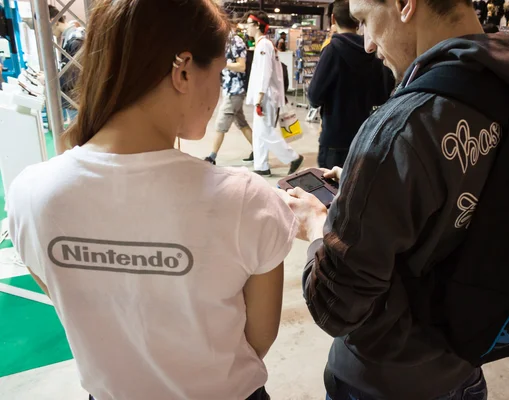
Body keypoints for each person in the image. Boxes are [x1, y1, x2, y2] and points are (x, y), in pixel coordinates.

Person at [278, 0, 509, 398]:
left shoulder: (404, 127)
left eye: (365, 21)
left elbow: (338, 304)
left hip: (384, 381)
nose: (368, 45)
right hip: (465, 365)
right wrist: (370, 191)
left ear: (404, 5)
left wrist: (315, 227)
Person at [7, 1, 297, 399]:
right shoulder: (247, 201)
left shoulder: (28, 194)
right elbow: (256, 342)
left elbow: (71, 305)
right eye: (215, 73)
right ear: (183, 71)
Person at [308, 0, 394, 170]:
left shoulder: (332, 50)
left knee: (330, 190)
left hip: (335, 137)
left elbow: (314, 96)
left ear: (333, 19)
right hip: (366, 135)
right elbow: (383, 94)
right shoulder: (372, 50)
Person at [245, 11, 304, 177]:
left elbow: (265, 72)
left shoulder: (264, 45)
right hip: (266, 95)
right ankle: (261, 165)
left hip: (267, 97)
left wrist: (260, 96)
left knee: (264, 131)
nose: (247, 28)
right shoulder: (265, 44)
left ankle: (293, 157)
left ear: (257, 25)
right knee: (259, 131)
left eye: (249, 24)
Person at [205, 30, 254, 165]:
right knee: (241, 123)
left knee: (221, 123)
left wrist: (221, 63)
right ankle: (258, 150)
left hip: (235, 90)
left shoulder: (235, 41)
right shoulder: (225, 42)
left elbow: (241, 66)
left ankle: (212, 157)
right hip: (230, 88)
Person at [48, 5, 85, 123]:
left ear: (52, 21)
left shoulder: (75, 40)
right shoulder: (70, 38)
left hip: (76, 101)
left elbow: (75, 77)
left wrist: (51, 79)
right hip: (73, 101)